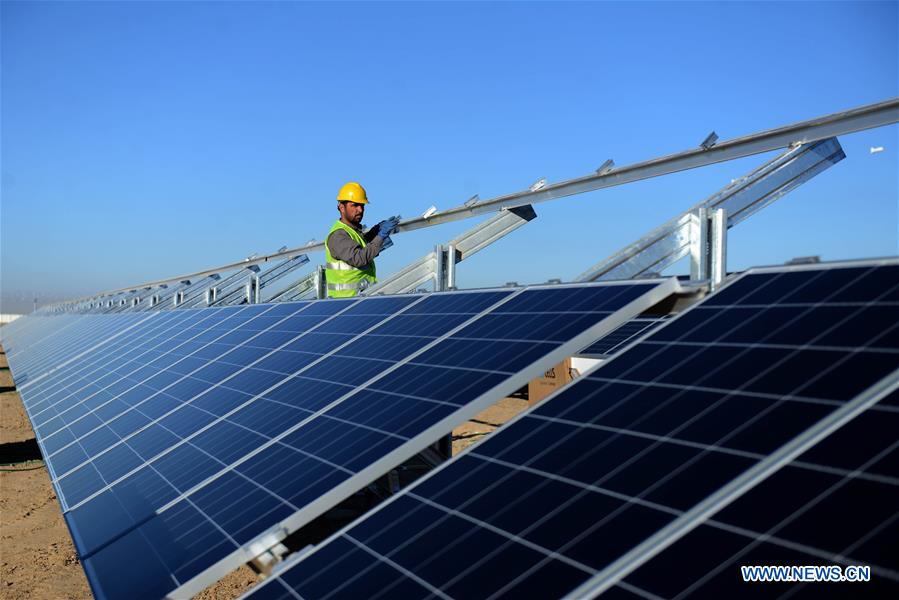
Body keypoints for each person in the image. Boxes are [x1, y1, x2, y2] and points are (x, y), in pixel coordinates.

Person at [325, 182, 399, 298]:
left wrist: (376, 230)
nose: (360, 210)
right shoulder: (338, 235)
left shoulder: (353, 232)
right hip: (345, 302)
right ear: (341, 207)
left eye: (362, 205)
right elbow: (359, 258)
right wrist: (380, 235)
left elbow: (364, 247)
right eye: (354, 205)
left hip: (358, 300)